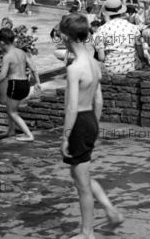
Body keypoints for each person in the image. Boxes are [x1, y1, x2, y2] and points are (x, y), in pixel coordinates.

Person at [59, 13, 124, 239]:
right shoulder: (94, 63)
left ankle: (87, 233)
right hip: (90, 120)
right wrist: (94, 126)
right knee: (81, 175)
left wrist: (66, 136)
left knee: (82, 184)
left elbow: (71, 107)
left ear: (65, 36)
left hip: (78, 123)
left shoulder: (74, 67)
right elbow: (99, 100)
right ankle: (110, 210)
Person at [0, 28, 41, 142]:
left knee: (12, 112)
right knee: (10, 108)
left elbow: (2, 75)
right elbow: (33, 68)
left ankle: (29, 135)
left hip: (15, 85)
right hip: (25, 84)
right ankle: (11, 131)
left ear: (2, 42)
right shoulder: (21, 52)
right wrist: (38, 82)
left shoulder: (8, 56)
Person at [93, 0, 145, 75]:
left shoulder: (101, 29)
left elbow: (101, 57)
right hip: (132, 67)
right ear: (122, 11)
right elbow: (141, 54)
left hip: (110, 69)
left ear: (106, 12)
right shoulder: (133, 27)